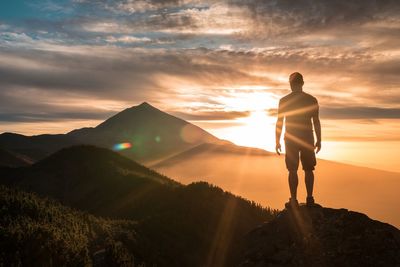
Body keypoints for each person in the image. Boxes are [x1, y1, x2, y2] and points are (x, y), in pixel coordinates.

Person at [275, 72, 321, 208]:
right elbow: (316, 121)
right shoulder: (311, 100)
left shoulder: (284, 101)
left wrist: (277, 141)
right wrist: (319, 140)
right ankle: (310, 198)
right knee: (309, 169)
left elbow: (279, 122)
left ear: (290, 84)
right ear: (302, 83)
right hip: (307, 137)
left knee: (292, 170)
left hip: (290, 138)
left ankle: (294, 200)